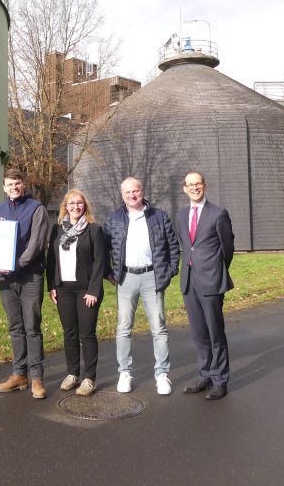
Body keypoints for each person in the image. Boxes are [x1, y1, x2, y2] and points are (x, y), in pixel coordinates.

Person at [103, 177, 179, 395]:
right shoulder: (115, 218)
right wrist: (110, 273)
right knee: (124, 328)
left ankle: (162, 374)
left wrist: (170, 270)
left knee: (159, 328)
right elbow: (103, 248)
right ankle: (124, 372)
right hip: (125, 278)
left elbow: (172, 245)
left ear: (142, 191)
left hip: (152, 277)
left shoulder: (158, 216)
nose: (132, 195)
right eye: (127, 193)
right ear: (122, 195)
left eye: (135, 191)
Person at [175, 171, 235, 400]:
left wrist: (216, 270)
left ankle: (220, 381)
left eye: (198, 184)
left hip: (211, 281)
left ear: (204, 186)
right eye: (190, 185)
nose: (194, 188)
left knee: (215, 332)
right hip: (189, 281)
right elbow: (186, 246)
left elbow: (227, 248)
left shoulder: (219, 213)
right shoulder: (180, 216)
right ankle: (205, 375)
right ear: (185, 188)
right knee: (199, 333)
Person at [0, 168, 50, 399]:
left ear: (23, 184)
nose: (14, 187)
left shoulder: (37, 209)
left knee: (32, 327)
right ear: (4, 187)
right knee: (14, 327)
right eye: (9, 184)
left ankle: (37, 378)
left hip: (30, 277)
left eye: (17, 183)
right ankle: (19, 375)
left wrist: (16, 264)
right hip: (6, 278)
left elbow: (36, 244)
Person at [46, 189, 106, 396]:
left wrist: (94, 289)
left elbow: (100, 262)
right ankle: (73, 373)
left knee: (86, 334)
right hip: (63, 289)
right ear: (66, 206)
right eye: (72, 203)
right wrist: (51, 286)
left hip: (86, 290)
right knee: (69, 333)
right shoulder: (57, 231)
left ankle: (89, 378)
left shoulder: (94, 230)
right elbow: (51, 260)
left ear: (85, 206)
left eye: (79, 203)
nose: (75, 207)